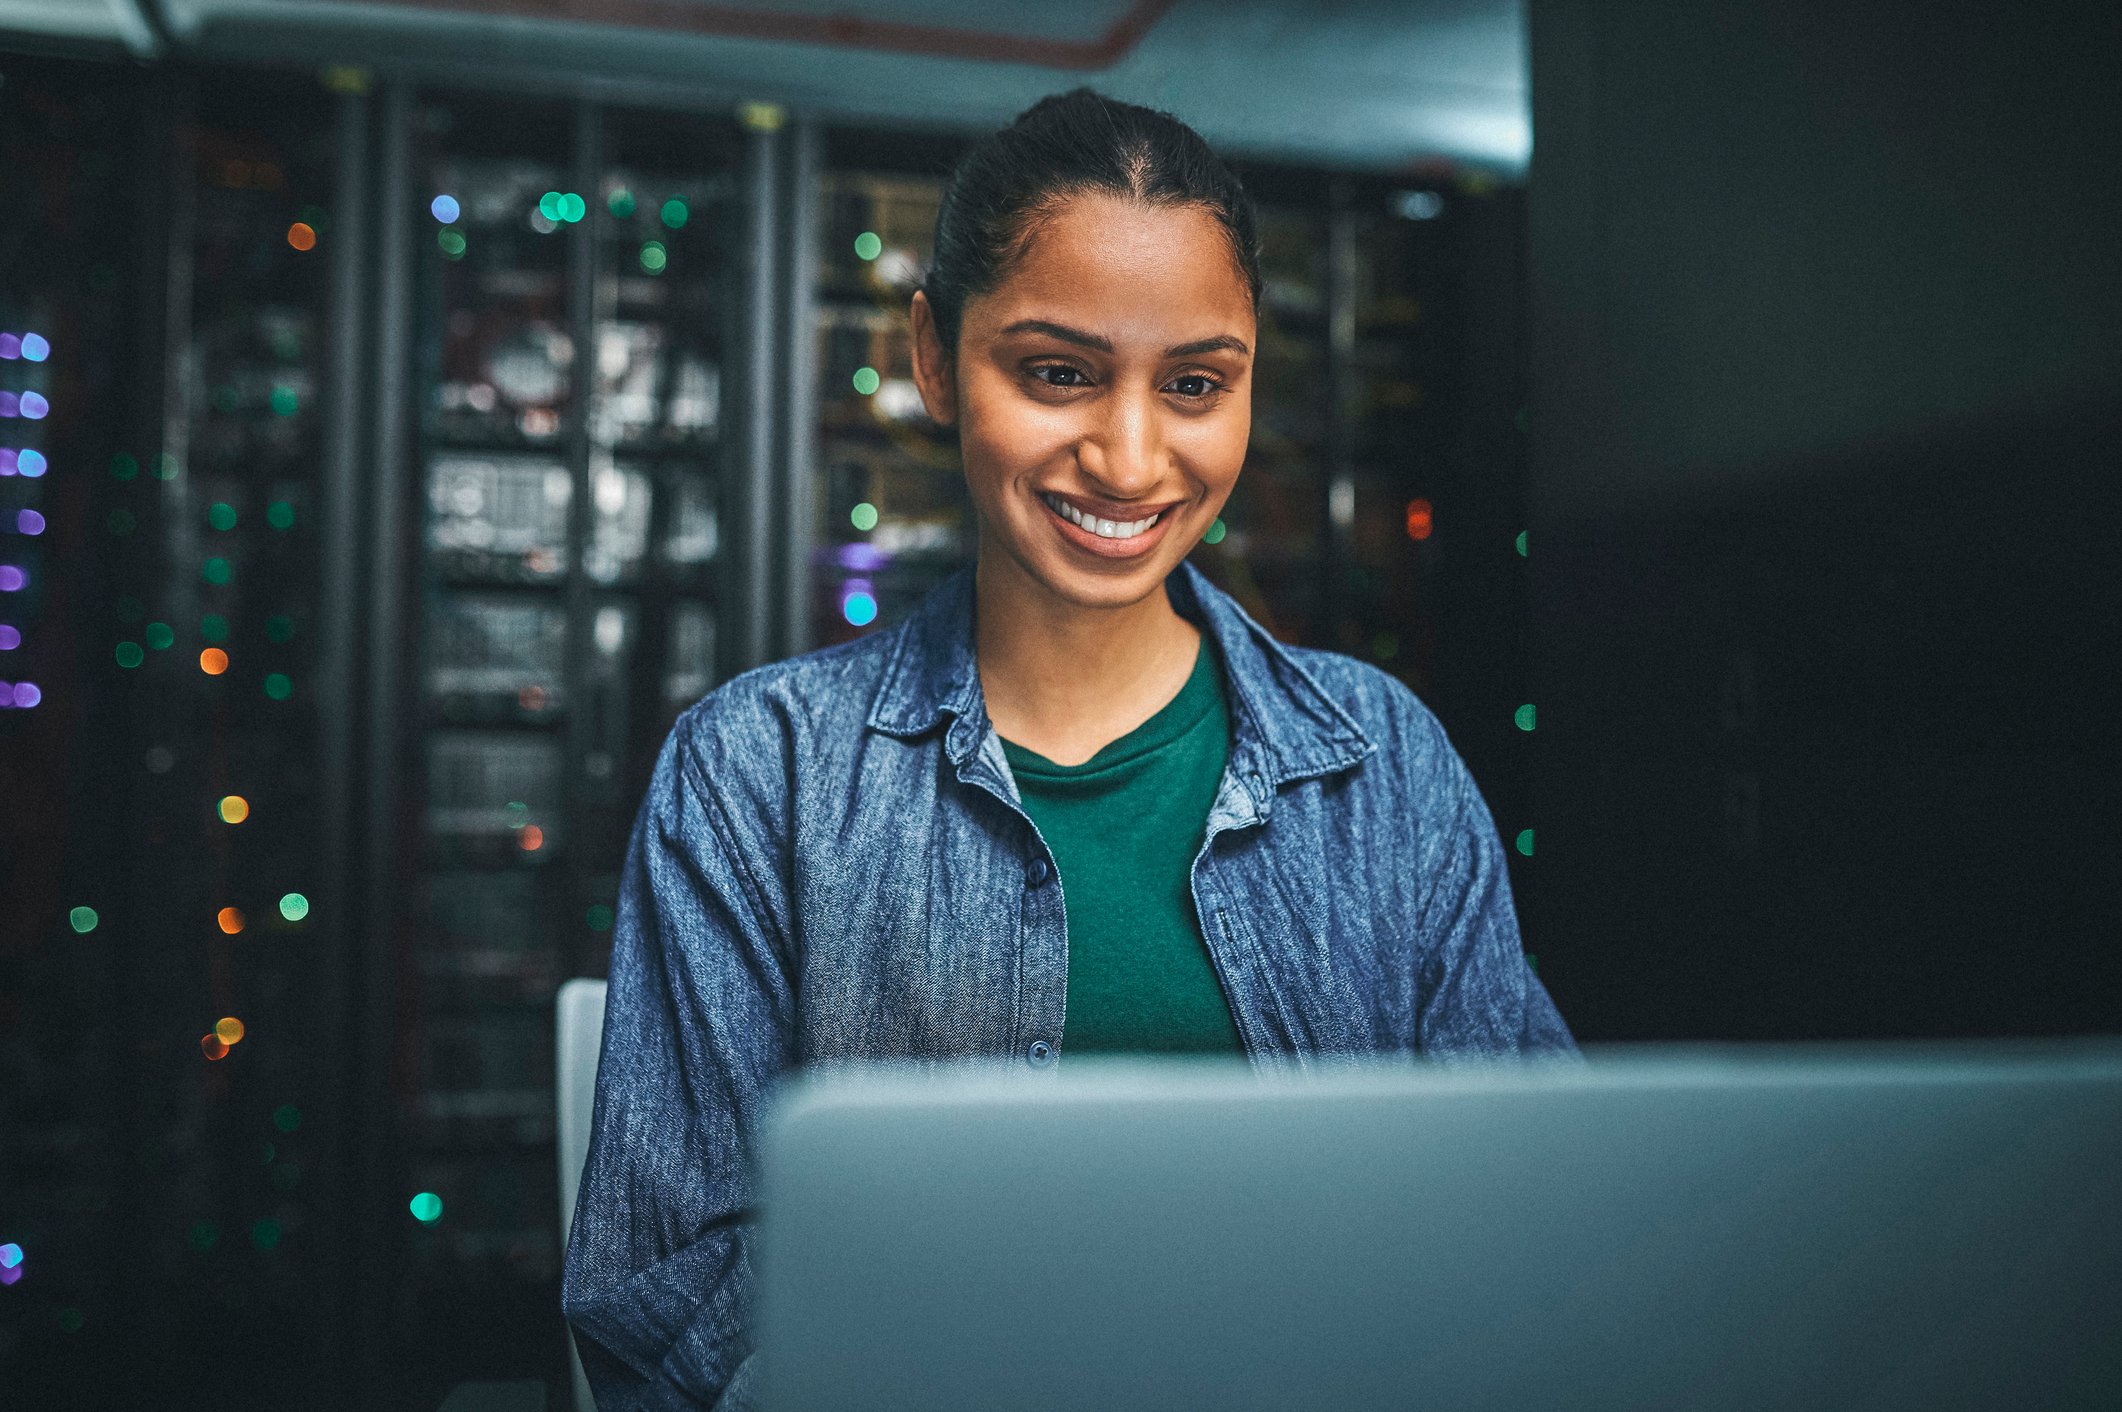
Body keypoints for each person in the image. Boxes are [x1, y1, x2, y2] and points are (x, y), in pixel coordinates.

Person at [561, 87, 1578, 1410]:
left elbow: (1528, 1206)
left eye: (1197, 384)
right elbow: (670, 1278)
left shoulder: (1384, 760)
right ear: (933, 355)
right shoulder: (754, 772)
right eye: (1057, 373)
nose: (1129, 457)